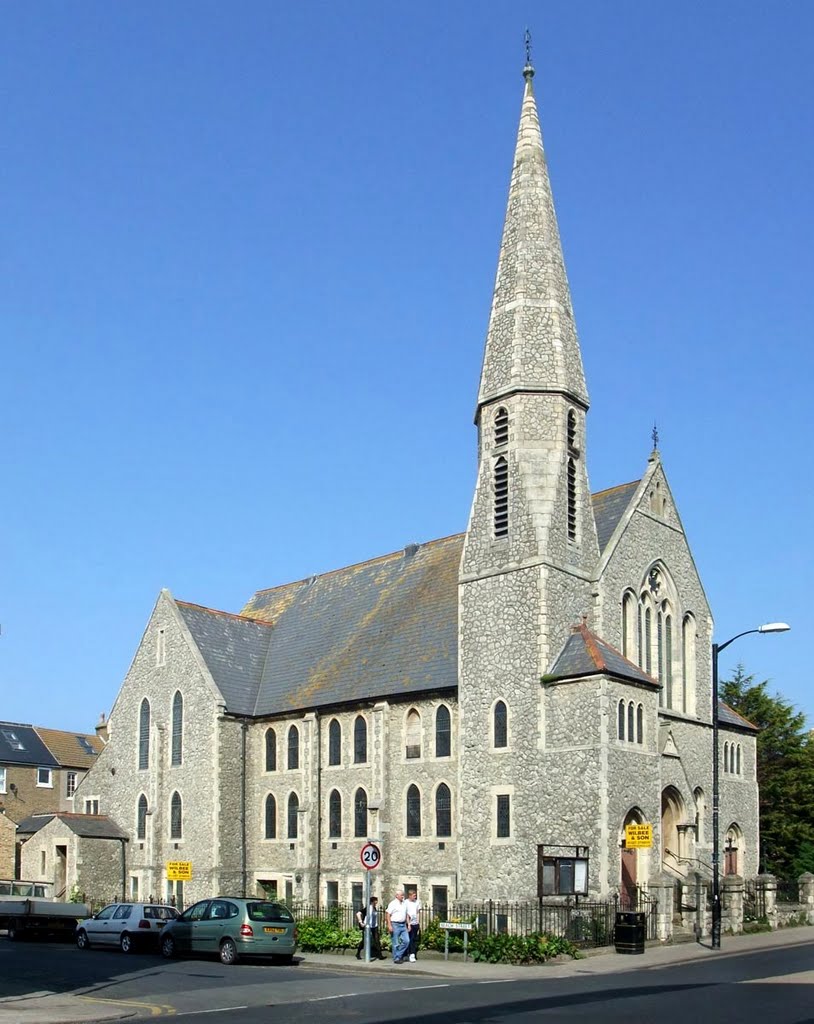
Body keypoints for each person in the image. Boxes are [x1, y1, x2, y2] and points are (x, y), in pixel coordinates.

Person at [385, 888, 410, 963]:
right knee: (395, 942)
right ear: (397, 896)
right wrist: (389, 925)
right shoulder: (393, 904)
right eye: (401, 895)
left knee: (406, 941)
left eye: (403, 895)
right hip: (395, 924)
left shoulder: (404, 904)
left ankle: (398, 955)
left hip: (403, 924)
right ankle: (396, 958)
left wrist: (408, 924)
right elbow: (388, 914)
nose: (403, 896)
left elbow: (406, 914)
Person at [355, 896, 384, 960]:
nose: (376, 902)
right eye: (375, 901)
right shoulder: (368, 908)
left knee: (377, 940)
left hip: (374, 926)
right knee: (364, 941)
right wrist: (361, 922)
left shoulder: (374, 908)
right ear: (372, 901)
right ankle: (358, 953)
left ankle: (380, 955)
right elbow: (358, 914)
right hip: (367, 927)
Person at [404, 888, 422, 962]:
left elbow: (418, 912)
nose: (415, 897)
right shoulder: (406, 902)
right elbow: (406, 914)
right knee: (409, 939)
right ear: (410, 895)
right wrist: (408, 924)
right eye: (414, 895)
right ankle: (411, 953)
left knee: (413, 939)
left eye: (415, 895)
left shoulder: (417, 902)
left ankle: (410, 953)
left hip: (415, 923)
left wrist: (418, 922)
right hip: (409, 923)